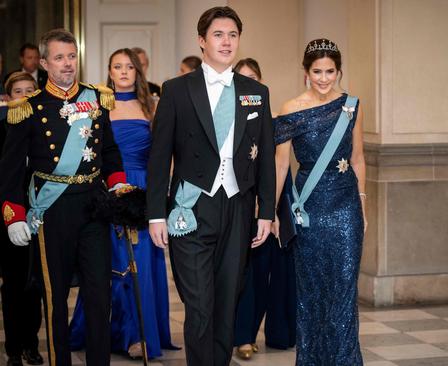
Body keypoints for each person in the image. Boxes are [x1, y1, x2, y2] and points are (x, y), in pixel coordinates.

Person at [146, 6, 275, 365]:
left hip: (237, 207)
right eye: (218, 34)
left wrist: (266, 211)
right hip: (191, 206)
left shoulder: (256, 92)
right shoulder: (176, 90)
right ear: (202, 41)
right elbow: (158, 158)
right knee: (200, 304)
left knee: (227, 300)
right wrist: (156, 213)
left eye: (233, 35)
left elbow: (265, 155)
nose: (226, 41)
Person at [0, 29, 127, 366]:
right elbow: (10, 171)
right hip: (53, 212)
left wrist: (119, 188)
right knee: (55, 300)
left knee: (100, 296)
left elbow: (110, 152)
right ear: (44, 63)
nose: (67, 64)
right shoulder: (28, 108)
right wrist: (13, 214)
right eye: (59, 58)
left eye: (71, 56)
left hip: (94, 207)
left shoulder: (97, 99)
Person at [68, 48, 178, 360]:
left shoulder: (151, 105)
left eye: (129, 66)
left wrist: (163, 194)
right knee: (107, 263)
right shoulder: (97, 104)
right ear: (109, 71)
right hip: (107, 190)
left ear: (138, 71)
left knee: (139, 264)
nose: (124, 72)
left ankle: (138, 335)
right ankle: (102, 332)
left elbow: (163, 153)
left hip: (142, 191)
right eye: (117, 66)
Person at [274, 38, 366, 365]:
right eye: (317, 71)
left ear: (339, 71)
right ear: (305, 72)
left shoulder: (350, 106)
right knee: (311, 294)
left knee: (343, 294)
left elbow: (358, 159)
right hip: (308, 211)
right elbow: (281, 164)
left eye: (330, 71)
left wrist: (363, 207)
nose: (324, 78)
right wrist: (272, 212)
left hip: (346, 209)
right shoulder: (290, 109)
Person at [232, 57, 297, 360]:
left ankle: (280, 332)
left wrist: (270, 209)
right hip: (242, 198)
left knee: (279, 267)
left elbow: (280, 164)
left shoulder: (274, 116)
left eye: (253, 77)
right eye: (242, 78)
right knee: (250, 271)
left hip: (276, 195)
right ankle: (244, 335)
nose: (249, 83)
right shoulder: (229, 118)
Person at [0, 72, 43, 366]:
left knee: (36, 283)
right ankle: (14, 348)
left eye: (30, 90)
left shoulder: (46, 129)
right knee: (14, 283)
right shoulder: (2, 129)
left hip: (40, 214)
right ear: (7, 98)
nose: (25, 96)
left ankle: (32, 343)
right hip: (8, 216)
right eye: (18, 91)